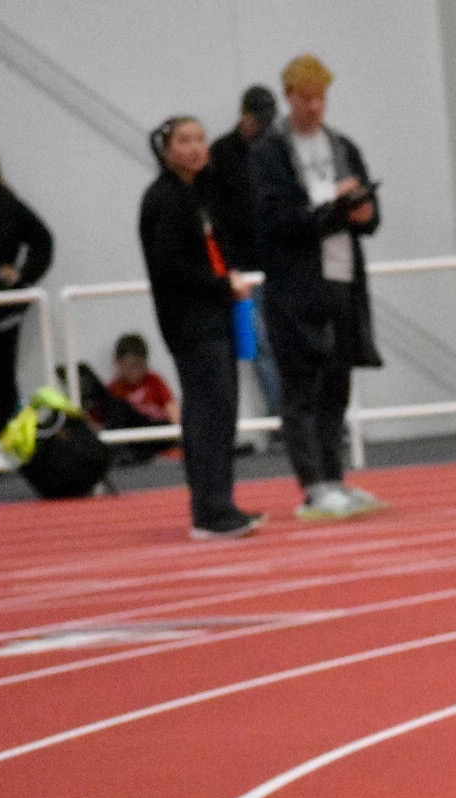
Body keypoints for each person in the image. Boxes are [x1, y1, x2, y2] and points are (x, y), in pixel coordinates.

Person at [251, 54, 388, 522]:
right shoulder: (268, 153)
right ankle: (312, 485)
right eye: (305, 98)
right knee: (301, 385)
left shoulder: (343, 146)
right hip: (295, 283)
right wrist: (330, 209)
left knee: (336, 383)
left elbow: (368, 216)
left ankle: (334, 478)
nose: (314, 107)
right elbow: (271, 224)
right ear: (289, 98)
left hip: (343, 276)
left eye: (321, 98)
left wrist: (364, 212)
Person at [139, 117, 264, 539]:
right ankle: (208, 511)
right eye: (184, 141)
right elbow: (170, 267)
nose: (195, 148)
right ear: (166, 149)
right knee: (208, 411)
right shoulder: (164, 199)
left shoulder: (198, 195)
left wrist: (227, 279)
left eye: (200, 139)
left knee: (221, 409)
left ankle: (220, 502)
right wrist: (220, 283)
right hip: (191, 321)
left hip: (214, 313)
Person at [0, 131, 53, 473]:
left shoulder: (4, 202)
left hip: (0, 315)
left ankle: (7, 447)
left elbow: (42, 242)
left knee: (1, 383)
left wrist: (22, 276)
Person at [205, 85, 285, 428]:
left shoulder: (275, 148)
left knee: (283, 341)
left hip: (274, 261)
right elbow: (213, 209)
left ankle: (288, 415)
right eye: (259, 120)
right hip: (240, 266)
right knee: (260, 345)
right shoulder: (222, 153)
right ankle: (279, 414)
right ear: (244, 115)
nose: (264, 127)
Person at [107, 333, 178, 424]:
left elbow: (173, 410)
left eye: (140, 366)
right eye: (131, 366)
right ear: (118, 363)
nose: (136, 372)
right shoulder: (113, 390)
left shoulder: (154, 381)